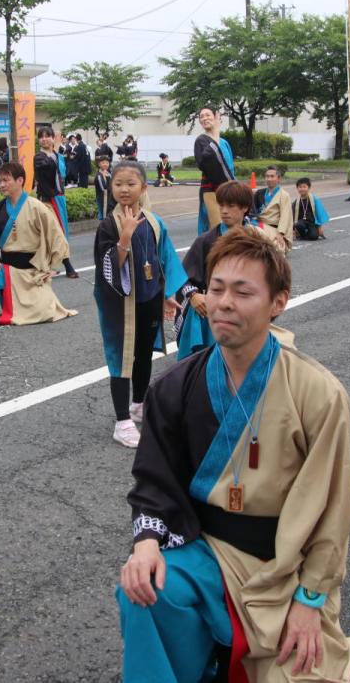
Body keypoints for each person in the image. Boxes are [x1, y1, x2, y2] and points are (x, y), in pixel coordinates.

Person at [118, 229, 350, 682]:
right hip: (210, 551)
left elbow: (333, 509)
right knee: (145, 587)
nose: (223, 303)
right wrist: (146, 543)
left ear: (278, 303)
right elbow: (154, 480)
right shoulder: (175, 387)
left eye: (243, 292)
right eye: (216, 289)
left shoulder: (318, 393)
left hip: (284, 567)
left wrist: (311, 601)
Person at [94, 159, 187, 449]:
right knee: (120, 357)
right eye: (118, 184)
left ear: (144, 187)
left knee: (144, 353)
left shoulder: (154, 222)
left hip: (149, 298)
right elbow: (107, 269)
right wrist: (124, 237)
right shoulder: (108, 225)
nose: (124, 189)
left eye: (130, 184)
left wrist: (168, 293)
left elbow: (164, 259)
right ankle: (122, 422)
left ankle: (138, 404)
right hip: (120, 304)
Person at [0, 162, 77, 325]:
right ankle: (5, 296)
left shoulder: (37, 207)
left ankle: (24, 300)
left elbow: (57, 239)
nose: (1, 184)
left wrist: (50, 267)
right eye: (0, 181)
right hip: (7, 270)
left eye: (6, 180)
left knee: (45, 313)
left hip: (33, 272)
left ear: (20, 181)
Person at [174, 180, 253, 361]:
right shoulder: (206, 241)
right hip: (211, 310)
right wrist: (193, 296)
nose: (224, 211)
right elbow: (182, 276)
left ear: (245, 208)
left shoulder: (256, 239)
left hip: (244, 309)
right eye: (221, 205)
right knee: (205, 364)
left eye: (231, 206)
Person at [34, 125, 79, 279]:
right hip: (47, 200)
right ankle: (68, 266)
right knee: (56, 233)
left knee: (60, 232)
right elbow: (47, 166)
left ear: (53, 138)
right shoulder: (39, 157)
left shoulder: (57, 155)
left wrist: (57, 152)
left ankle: (49, 266)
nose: (44, 139)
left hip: (59, 199)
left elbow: (63, 174)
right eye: (41, 137)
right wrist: (58, 149)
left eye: (47, 136)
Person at [194, 105, 237, 234]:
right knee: (216, 227)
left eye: (208, 115)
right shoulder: (201, 140)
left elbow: (230, 167)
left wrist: (234, 186)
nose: (204, 118)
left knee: (233, 225)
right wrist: (216, 134)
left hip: (229, 189)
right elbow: (206, 164)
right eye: (202, 116)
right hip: (212, 191)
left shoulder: (224, 142)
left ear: (216, 117)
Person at [253, 165, 293, 253]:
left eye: (272, 176)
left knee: (278, 250)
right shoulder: (259, 193)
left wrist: (280, 233)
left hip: (274, 229)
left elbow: (285, 216)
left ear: (279, 178)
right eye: (267, 176)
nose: (269, 179)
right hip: (259, 225)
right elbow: (253, 211)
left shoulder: (284, 195)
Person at [292, 177, 330, 242]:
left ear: (309, 188)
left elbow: (319, 213)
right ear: (297, 188)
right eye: (300, 187)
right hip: (301, 222)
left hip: (312, 222)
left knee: (313, 237)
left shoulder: (314, 200)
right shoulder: (296, 202)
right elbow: (292, 216)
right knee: (298, 224)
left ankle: (308, 234)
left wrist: (320, 227)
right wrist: (293, 229)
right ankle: (302, 234)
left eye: (304, 187)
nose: (302, 189)